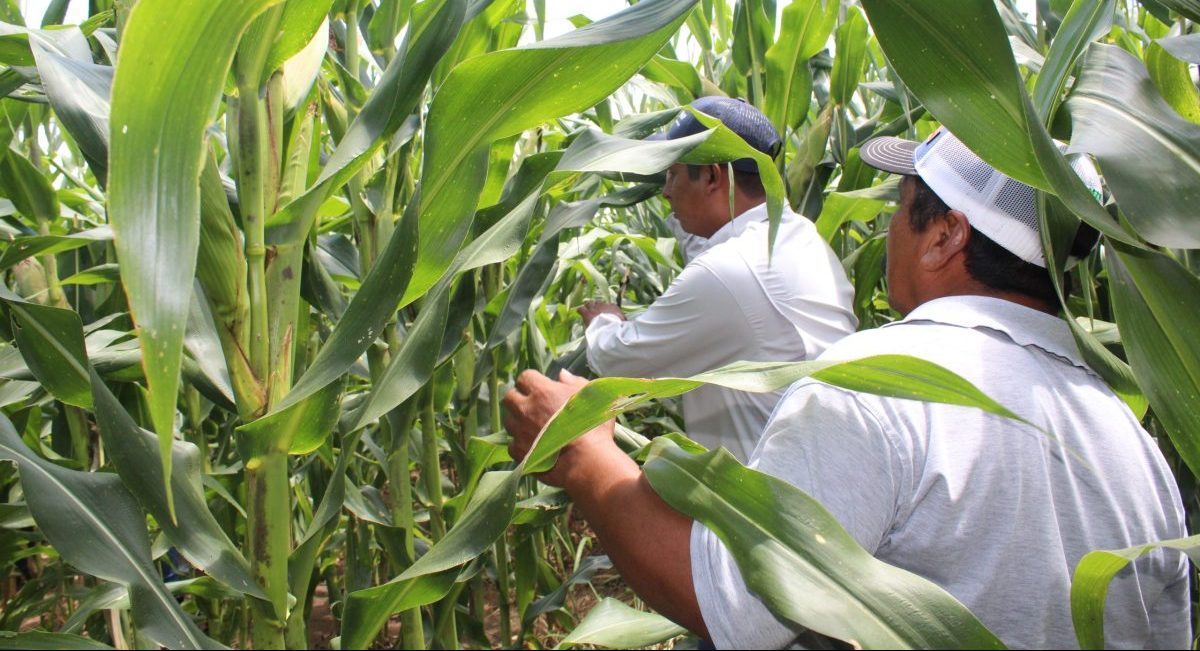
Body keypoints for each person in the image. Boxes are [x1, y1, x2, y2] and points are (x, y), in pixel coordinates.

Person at [503, 126, 1190, 649]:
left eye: (902, 205)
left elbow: (733, 604)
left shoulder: (880, 388)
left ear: (945, 237)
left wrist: (585, 454)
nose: (886, 226)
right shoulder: (1135, 445)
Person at [580, 96, 857, 461]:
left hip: (756, 504)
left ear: (712, 176)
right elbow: (702, 243)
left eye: (672, 175)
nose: (664, 192)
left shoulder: (728, 271)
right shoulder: (797, 238)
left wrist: (604, 320)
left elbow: (617, 361)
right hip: (817, 479)